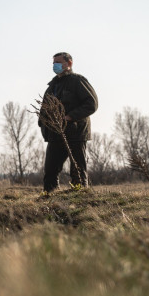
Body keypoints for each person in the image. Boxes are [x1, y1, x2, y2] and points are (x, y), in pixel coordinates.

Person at [39, 52, 99, 192]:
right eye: (54, 63)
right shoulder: (52, 86)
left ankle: (80, 199)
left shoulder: (78, 81)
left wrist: (70, 117)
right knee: (50, 172)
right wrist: (45, 124)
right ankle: (50, 200)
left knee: (77, 171)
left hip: (75, 133)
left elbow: (91, 104)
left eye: (58, 62)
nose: (55, 65)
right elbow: (44, 109)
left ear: (69, 63)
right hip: (55, 134)